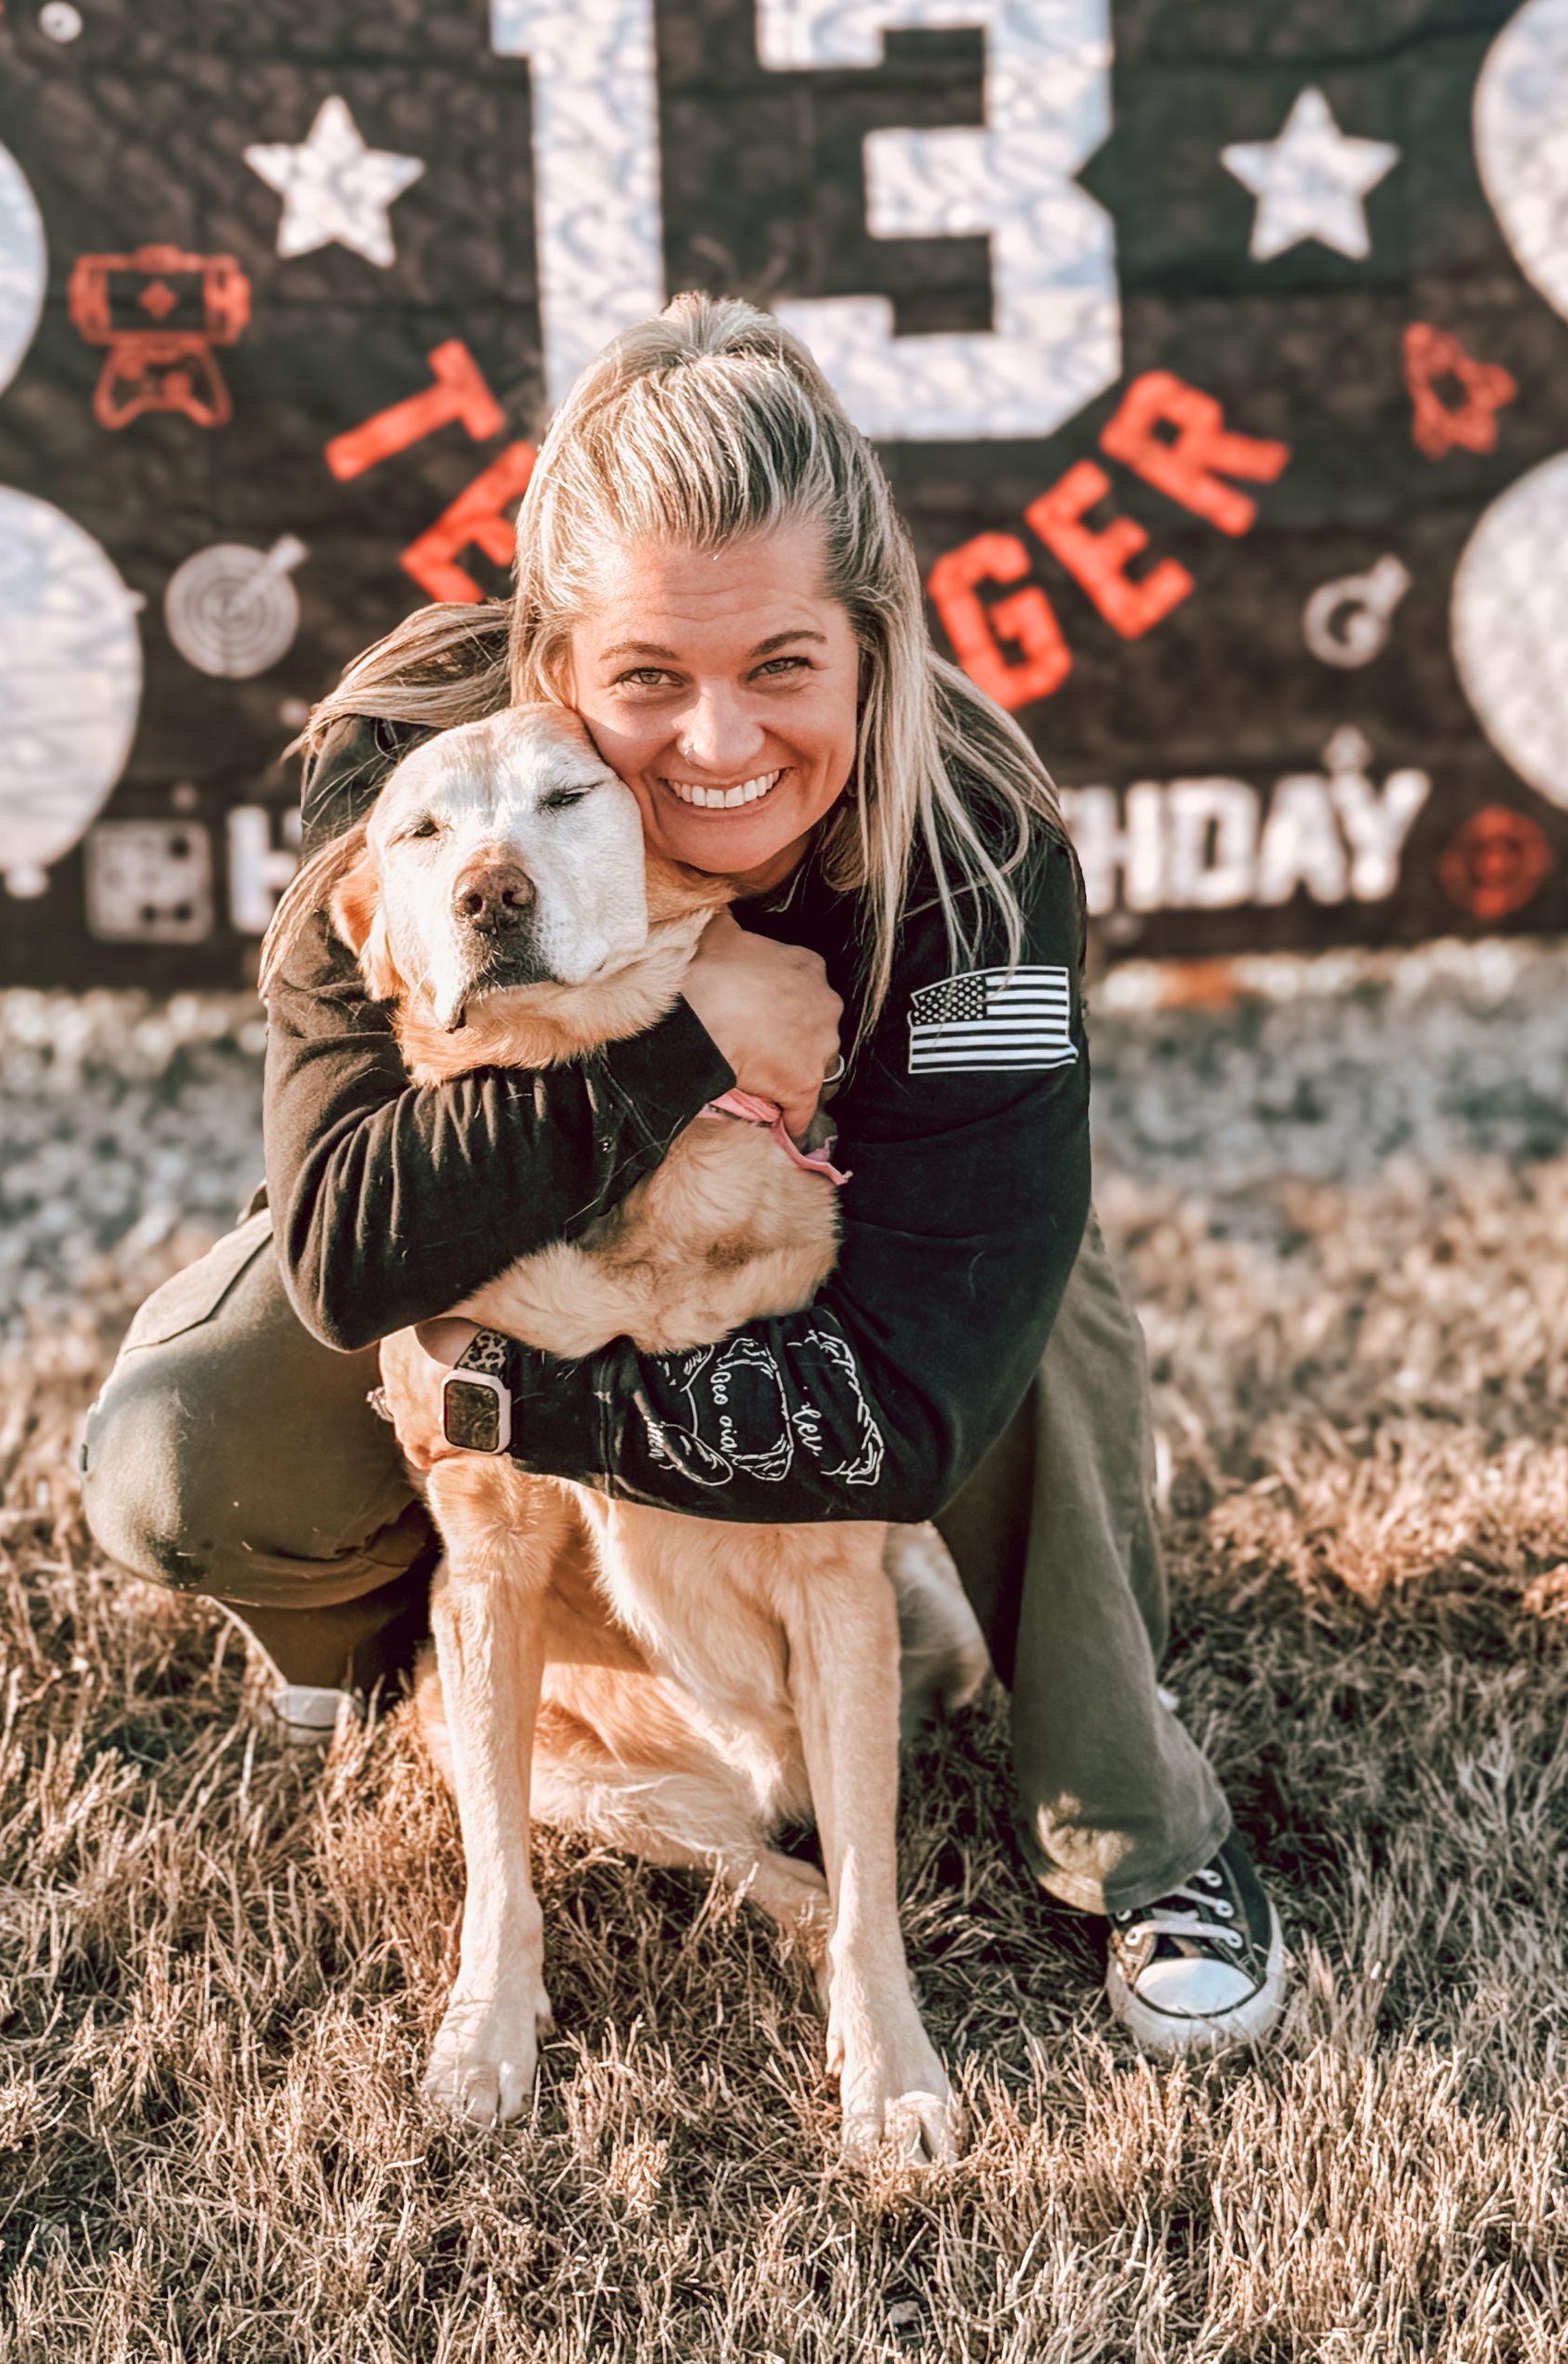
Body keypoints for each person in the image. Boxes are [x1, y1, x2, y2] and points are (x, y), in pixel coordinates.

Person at [80, 295, 1285, 2055]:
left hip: (832, 1253)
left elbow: (926, 1383)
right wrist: (683, 1038)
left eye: (783, 666)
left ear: (871, 640)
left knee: (1033, 1329)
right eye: (651, 680)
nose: (719, 743)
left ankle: (1134, 1826)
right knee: (182, 1448)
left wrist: (521, 1417)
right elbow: (347, 1249)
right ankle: (379, 1634)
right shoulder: (412, 761)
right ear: (554, 665)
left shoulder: (977, 842)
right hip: (481, 1224)